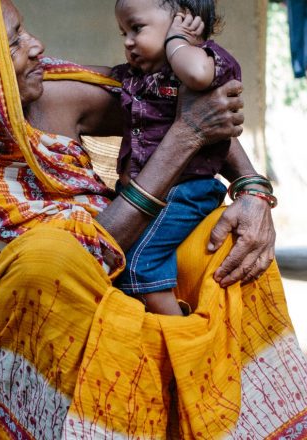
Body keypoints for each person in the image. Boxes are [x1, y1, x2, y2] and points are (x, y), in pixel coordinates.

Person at [0, 0, 307, 438]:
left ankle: (235, 398)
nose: (37, 47)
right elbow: (83, 256)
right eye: (15, 43)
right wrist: (186, 136)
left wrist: (252, 190)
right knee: (49, 254)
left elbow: (180, 102)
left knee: (228, 247)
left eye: (24, 31)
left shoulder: (50, 92)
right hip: (34, 333)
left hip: (122, 276)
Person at [109, 0, 255, 315]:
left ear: (184, 20)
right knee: (119, 268)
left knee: (138, 265)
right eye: (123, 33)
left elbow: (198, 76)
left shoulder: (207, 61)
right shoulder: (143, 75)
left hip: (186, 192)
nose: (128, 41)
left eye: (136, 28)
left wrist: (178, 40)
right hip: (153, 193)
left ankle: (181, 334)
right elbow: (102, 78)